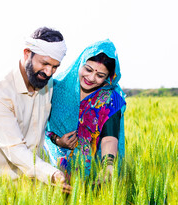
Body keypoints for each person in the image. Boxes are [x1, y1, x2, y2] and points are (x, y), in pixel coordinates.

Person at [0, 27, 71, 192]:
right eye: (45, 63)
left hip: (32, 189)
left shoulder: (45, 82)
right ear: (27, 53)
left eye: (55, 66)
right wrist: (52, 174)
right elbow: (15, 148)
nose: (49, 72)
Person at [44, 39, 126, 181]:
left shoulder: (110, 99)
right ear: (80, 63)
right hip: (54, 170)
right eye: (88, 69)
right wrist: (58, 140)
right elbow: (38, 125)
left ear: (108, 78)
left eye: (100, 75)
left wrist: (108, 165)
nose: (91, 77)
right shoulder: (55, 89)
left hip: (91, 175)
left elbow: (109, 137)